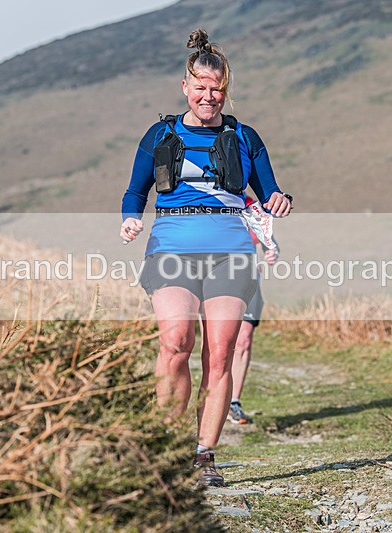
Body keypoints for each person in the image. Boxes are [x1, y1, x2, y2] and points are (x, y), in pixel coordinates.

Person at [120, 29, 292, 487]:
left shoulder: (244, 136)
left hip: (231, 253)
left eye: (217, 90)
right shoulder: (161, 133)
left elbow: (269, 188)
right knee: (176, 344)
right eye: (200, 88)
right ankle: (167, 444)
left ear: (225, 90)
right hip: (171, 249)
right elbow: (136, 189)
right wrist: (131, 218)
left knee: (220, 357)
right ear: (185, 87)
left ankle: (202, 456)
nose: (209, 97)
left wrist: (278, 200)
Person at [228, 196, 279, 425]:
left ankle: (233, 402)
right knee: (217, 342)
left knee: (244, 339)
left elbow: (268, 236)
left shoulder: (250, 204)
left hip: (248, 280)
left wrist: (272, 250)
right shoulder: (207, 199)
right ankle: (211, 399)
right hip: (212, 280)